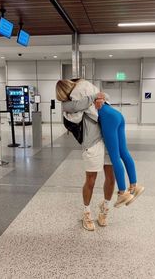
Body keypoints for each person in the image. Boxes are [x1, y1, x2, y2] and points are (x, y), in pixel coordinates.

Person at [56, 79, 144, 208]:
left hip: (108, 119)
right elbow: (104, 95)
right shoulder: (86, 84)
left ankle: (122, 193)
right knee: (124, 152)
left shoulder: (75, 94)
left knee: (114, 157)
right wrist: (97, 96)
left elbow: (74, 111)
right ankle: (134, 185)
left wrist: (88, 101)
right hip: (117, 115)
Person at [57, 83, 115, 231]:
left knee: (111, 177)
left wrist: (101, 98)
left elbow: (106, 96)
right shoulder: (69, 104)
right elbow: (73, 107)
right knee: (91, 179)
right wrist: (95, 97)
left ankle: (105, 209)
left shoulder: (89, 95)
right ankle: (87, 213)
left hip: (109, 138)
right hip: (92, 142)